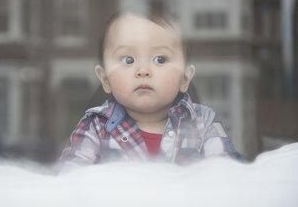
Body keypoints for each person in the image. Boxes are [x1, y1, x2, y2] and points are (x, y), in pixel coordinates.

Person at [56, 12, 241, 172]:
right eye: (128, 60)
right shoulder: (95, 127)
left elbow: (226, 179)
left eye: (160, 59)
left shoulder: (203, 123)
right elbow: (70, 184)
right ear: (105, 80)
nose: (143, 70)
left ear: (184, 78)